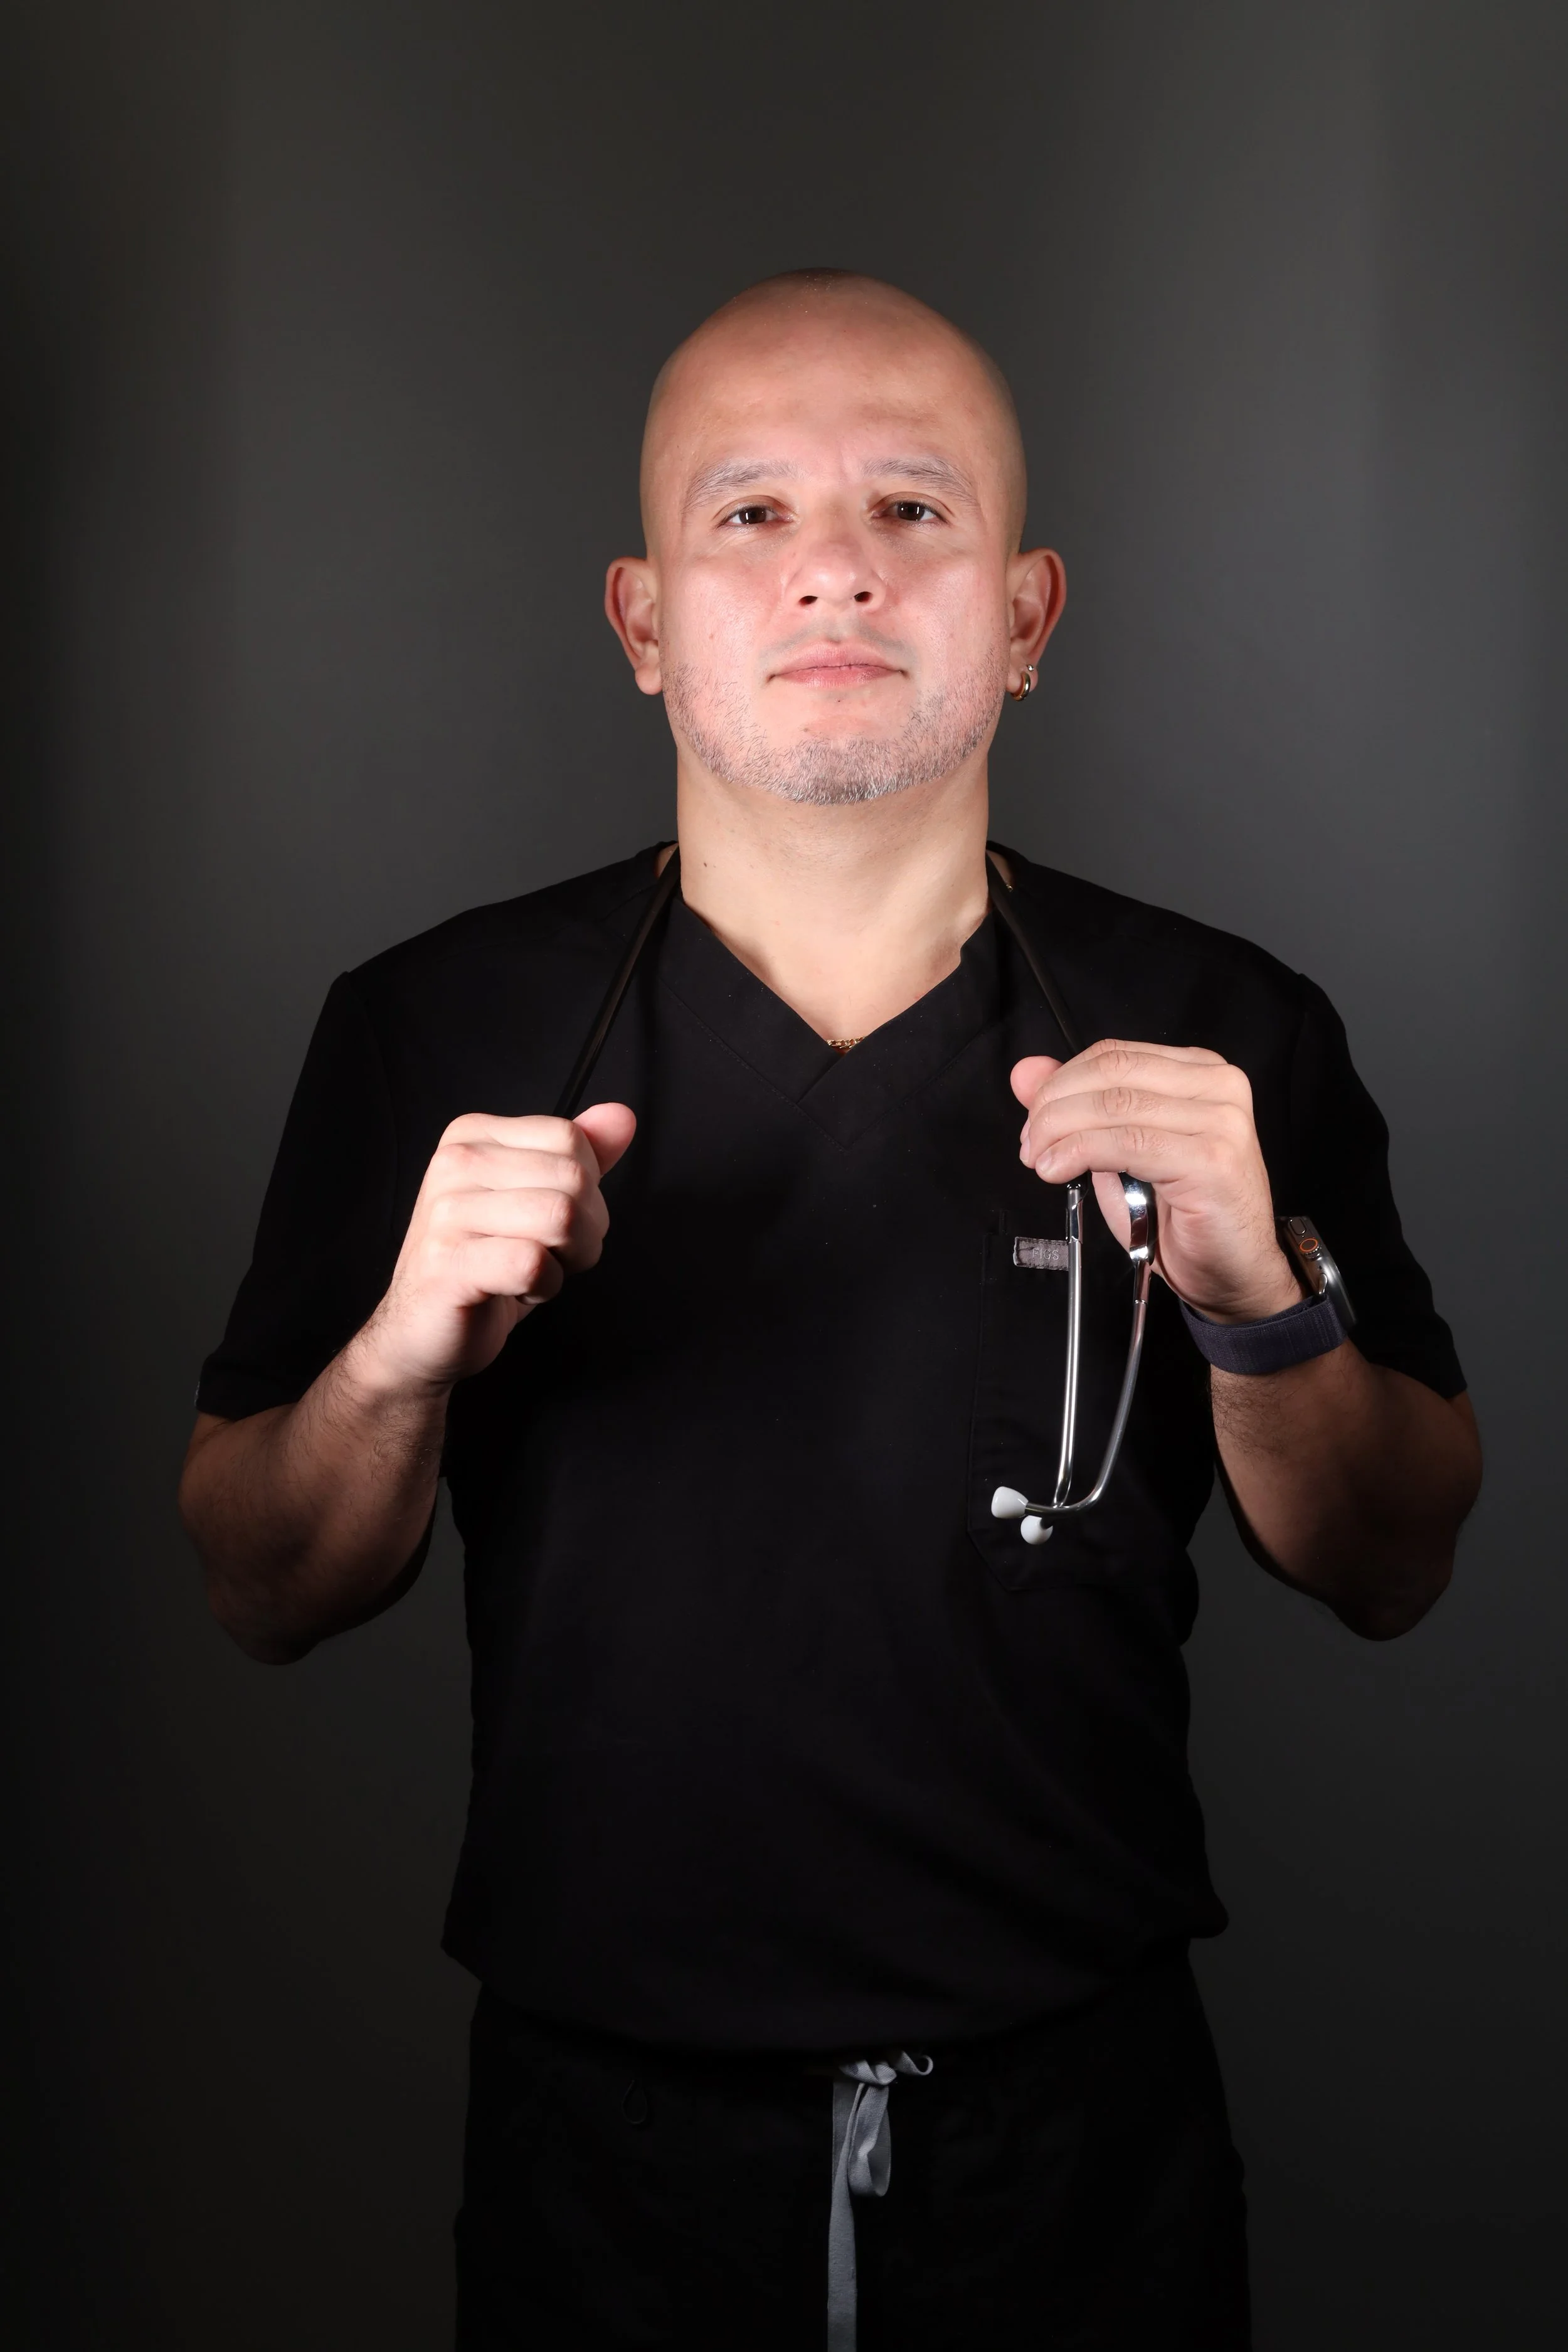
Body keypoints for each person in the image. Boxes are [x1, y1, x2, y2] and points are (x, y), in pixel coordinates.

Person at [179, 269, 1480, 2351]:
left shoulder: (1227, 1037)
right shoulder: (436, 1029)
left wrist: (1261, 1301)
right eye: (751, 516)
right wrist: (396, 1357)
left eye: (911, 510)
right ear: (641, 619)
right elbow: (262, 1579)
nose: (833, 577)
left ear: (1028, 611)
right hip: (604, 2145)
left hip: (1080, 2139)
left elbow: (1394, 1557)